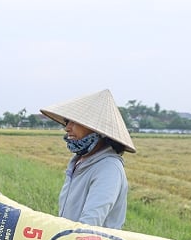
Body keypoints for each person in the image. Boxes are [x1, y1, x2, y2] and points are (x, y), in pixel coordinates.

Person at [39, 89, 136, 229]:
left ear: (97, 129)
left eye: (75, 122)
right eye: (67, 122)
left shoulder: (109, 168)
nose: (67, 128)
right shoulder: (78, 162)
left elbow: (90, 223)